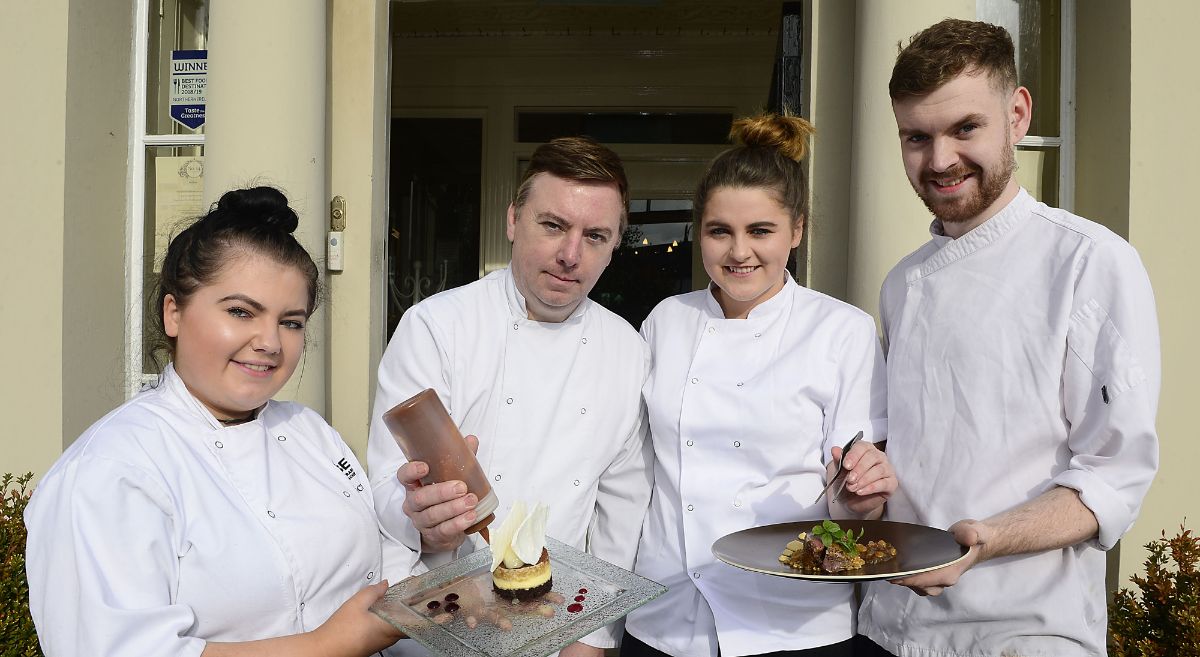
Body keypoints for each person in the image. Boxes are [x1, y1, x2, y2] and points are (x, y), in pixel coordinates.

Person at [856, 19, 1161, 657]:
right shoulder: (900, 282)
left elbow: (1112, 476)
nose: (939, 161)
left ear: (1017, 114)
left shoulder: (1089, 262)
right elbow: (908, 453)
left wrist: (987, 538)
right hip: (888, 627)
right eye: (917, 137)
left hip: (1023, 632)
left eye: (965, 128)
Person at [25, 187, 412, 657]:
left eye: (291, 322)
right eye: (241, 312)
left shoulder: (310, 433)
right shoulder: (111, 470)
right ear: (174, 313)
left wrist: (430, 531)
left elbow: (371, 564)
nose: (269, 341)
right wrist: (330, 645)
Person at [621, 115, 895, 657]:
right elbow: (634, 466)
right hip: (666, 616)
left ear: (796, 230)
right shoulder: (665, 321)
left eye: (760, 231)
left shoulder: (841, 330)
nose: (738, 251)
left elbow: (854, 506)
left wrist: (863, 493)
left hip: (794, 621)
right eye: (720, 231)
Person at [366, 136, 651, 656]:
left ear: (615, 246)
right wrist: (424, 522)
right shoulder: (437, 325)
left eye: (595, 236)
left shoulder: (627, 350)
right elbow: (386, 485)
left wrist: (593, 636)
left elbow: (622, 508)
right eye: (553, 226)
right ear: (513, 220)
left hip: (557, 627)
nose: (570, 255)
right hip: (435, 623)